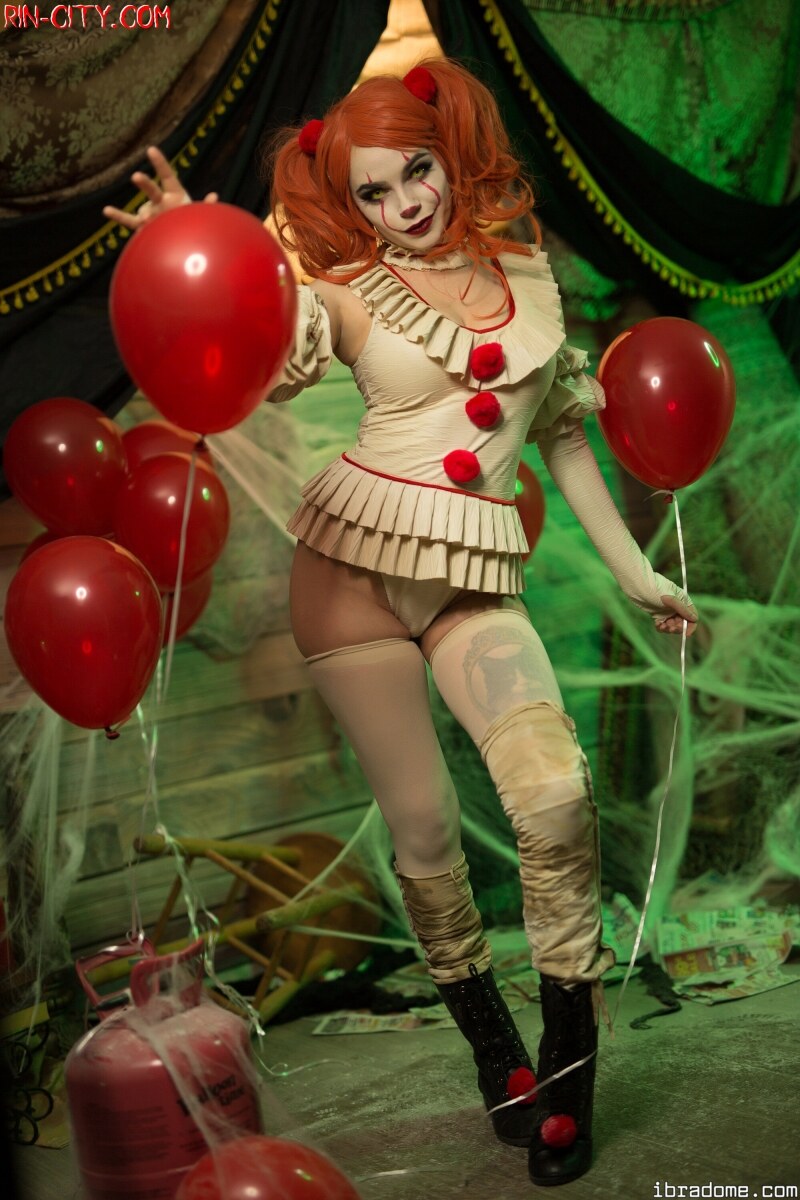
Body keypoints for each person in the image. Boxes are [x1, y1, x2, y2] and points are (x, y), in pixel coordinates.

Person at [105, 58, 697, 1188]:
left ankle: (568, 1070)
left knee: (552, 796)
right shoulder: (346, 293)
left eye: (414, 172)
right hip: (348, 580)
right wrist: (193, 240)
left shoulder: (527, 280)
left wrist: (633, 574)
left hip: (469, 585)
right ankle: (494, 1053)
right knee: (424, 829)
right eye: (371, 192)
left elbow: (563, 434)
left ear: (449, 155)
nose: (403, 205)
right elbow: (265, 327)